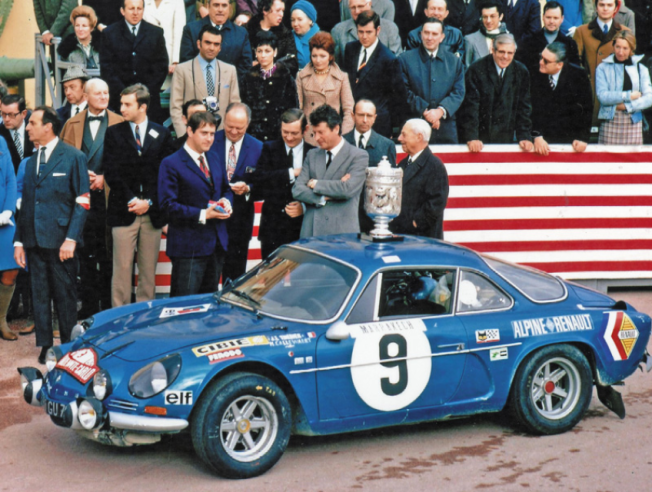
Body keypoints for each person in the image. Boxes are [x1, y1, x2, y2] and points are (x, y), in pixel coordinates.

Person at [14, 106, 90, 363]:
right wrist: (19, 241)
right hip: (34, 240)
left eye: (32, 122)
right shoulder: (32, 160)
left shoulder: (73, 156)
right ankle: (46, 345)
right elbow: (26, 204)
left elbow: (82, 201)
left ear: (48, 126)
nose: (27, 127)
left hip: (61, 243)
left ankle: (68, 347)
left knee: (65, 297)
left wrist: (71, 239)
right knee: (39, 295)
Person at [103, 84, 174, 307]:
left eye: (127, 104)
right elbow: (111, 172)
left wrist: (149, 202)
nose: (121, 108)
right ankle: (119, 320)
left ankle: (144, 320)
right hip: (124, 211)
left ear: (142, 106)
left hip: (151, 214)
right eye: (121, 104)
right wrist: (132, 200)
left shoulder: (161, 133)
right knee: (121, 273)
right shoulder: (114, 133)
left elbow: (165, 175)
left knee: (147, 274)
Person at [60, 78, 124, 317]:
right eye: (98, 93)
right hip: (81, 201)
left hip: (110, 199)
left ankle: (108, 309)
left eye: (107, 93)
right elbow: (63, 159)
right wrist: (79, 176)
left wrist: (104, 178)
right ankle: (87, 309)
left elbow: (128, 162)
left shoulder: (120, 122)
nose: (104, 97)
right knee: (85, 257)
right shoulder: (71, 124)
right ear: (85, 96)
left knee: (109, 255)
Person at [159, 111, 234, 297]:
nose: (209, 138)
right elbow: (167, 205)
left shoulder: (215, 158)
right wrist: (203, 214)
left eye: (212, 133)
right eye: (204, 133)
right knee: (184, 305)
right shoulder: (171, 163)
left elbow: (226, 188)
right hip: (188, 248)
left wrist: (226, 200)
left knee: (209, 305)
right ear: (190, 131)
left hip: (216, 244)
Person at [292, 104, 369, 237]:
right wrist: (323, 197)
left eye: (321, 132)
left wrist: (316, 184)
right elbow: (297, 190)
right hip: (311, 232)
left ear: (336, 129)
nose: (316, 138)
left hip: (341, 234)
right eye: (314, 133)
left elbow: (348, 189)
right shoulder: (312, 154)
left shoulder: (358, 155)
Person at [250, 109, 313, 259]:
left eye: (294, 133)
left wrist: (304, 207)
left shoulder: (313, 153)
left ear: (305, 130)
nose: (289, 137)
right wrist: (291, 173)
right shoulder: (269, 148)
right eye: (285, 132)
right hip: (272, 227)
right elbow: (260, 179)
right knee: (272, 278)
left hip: (302, 228)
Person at [210, 103, 263, 282]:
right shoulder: (210, 141)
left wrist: (248, 189)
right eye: (229, 126)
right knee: (208, 275)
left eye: (238, 128)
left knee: (235, 275)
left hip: (240, 219)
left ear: (247, 125)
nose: (233, 131)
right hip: (212, 217)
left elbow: (264, 183)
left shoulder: (258, 147)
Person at [458, 33, 534, 152]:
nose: (505, 56)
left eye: (510, 53)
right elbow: (470, 107)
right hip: (480, 139)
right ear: (492, 50)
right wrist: (472, 137)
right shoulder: (476, 70)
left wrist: (524, 136)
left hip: (506, 136)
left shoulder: (521, 71)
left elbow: (524, 107)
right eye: (501, 52)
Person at [100, 0, 169, 123]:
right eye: (131, 8)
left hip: (148, 102)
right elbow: (107, 68)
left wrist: (144, 93)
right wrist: (125, 94)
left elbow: (161, 67)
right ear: (122, 11)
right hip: (119, 102)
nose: (136, 13)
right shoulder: (109, 33)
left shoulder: (156, 33)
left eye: (139, 8)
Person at [399, 18, 466, 143]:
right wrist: (425, 112)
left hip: (445, 128)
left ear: (442, 37)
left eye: (434, 34)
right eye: (426, 32)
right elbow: (403, 90)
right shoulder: (405, 59)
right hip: (414, 126)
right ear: (421, 34)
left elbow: (458, 92)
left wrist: (440, 112)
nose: (430, 37)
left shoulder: (454, 62)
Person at [171, 24, 241, 136]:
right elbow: (176, 108)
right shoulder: (182, 70)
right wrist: (185, 137)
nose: (212, 48)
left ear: (220, 47)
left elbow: (235, 107)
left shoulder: (230, 70)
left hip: (221, 137)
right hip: (193, 136)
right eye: (208, 42)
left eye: (216, 44)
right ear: (199, 44)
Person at [342, 11, 401, 138]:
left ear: (377, 30)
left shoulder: (388, 58)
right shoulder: (350, 49)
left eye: (368, 32)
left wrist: (393, 129)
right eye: (360, 32)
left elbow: (395, 97)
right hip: (352, 120)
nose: (364, 36)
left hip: (377, 124)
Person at [389, 118, 448, 239]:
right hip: (402, 236)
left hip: (423, 240)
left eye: (404, 134)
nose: (399, 138)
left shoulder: (435, 166)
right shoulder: (402, 164)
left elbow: (436, 203)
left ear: (419, 137)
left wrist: (415, 223)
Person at [342, 99, 396, 233]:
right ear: (352, 116)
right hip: (345, 210)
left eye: (369, 116)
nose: (365, 120)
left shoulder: (386, 145)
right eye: (360, 115)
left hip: (374, 215)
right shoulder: (341, 142)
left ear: (375, 118)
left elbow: (391, 183)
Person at [574, 0, 630, 126]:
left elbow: (630, 66)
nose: (605, 8)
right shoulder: (582, 32)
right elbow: (574, 65)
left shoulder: (624, 32)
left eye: (609, 5)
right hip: (589, 93)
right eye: (602, 5)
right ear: (596, 7)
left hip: (614, 95)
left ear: (616, 9)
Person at [531, 42, 593, 155]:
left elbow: (587, 108)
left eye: (546, 61)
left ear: (559, 65)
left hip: (569, 140)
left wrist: (583, 138)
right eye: (541, 57)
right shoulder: (535, 73)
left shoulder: (578, 75)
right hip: (541, 141)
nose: (541, 62)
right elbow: (531, 108)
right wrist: (537, 135)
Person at [297, 32, 355, 146]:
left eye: (322, 56)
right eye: (314, 56)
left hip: (332, 135)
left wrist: (342, 136)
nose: (318, 60)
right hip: (309, 137)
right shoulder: (301, 76)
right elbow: (298, 109)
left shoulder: (341, 77)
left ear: (331, 56)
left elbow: (349, 110)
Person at [240, 31, 299, 142]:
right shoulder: (248, 78)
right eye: (259, 51)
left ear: (275, 52)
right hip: (254, 137)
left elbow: (293, 108)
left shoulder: (286, 78)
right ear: (255, 53)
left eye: (267, 51)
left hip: (279, 137)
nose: (263, 55)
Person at [596, 31, 652, 145]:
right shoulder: (602, 68)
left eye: (625, 48)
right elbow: (602, 96)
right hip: (609, 121)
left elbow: (649, 97)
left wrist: (627, 106)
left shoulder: (641, 69)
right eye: (617, 47)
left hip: (633, 122)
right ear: (613, 46)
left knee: (632, 161)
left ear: (632, 49)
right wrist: (628, 96)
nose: (620, 52)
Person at [179, 0, 253, 80]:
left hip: (230, 87)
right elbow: (186, 63)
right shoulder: (191, 29)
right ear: (208, 6)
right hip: (199, 87)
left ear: (229, 7)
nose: (220, 9)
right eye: (216, 5)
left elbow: (246, 66)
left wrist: (227, 85)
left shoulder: (241, 33)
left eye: (224, 5)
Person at [331, 0, 402, 66]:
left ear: (370, 4)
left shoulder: (389, 29)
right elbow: (336, 66)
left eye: (360, 6)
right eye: (353, 7)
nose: (357, 11)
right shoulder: (338, 31)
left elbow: (397, 63)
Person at [516, 1, 581, 72]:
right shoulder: (529, 42)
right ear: (543, 17)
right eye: (548, 17)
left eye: (555, 18)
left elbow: (574, 73)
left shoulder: (570, 44)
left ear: (562, 19)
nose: (551, 21)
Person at [0, 137, 19, 341]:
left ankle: (1, 320)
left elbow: (10, 179)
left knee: (11, 269)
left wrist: (8, 210)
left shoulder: (0, 142)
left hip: (4, 221)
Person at [247, 0, 299, 75]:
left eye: (282, 11)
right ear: (265, 10)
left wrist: (273, 68)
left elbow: (292, 63)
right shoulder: (247, 31)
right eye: (278, 10)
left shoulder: (285, 34)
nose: (281, 14)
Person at [143, 0, 187, 88]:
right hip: (146, 58)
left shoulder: (177, 2)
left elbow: (179, 32)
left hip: (169, 59)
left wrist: (175, 61)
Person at [464, 1, 509, 68]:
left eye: (492, 16)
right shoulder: (470, 40)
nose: (488, 21)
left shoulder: (509, 39)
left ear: (501, 16)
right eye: (485, 17)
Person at [58, 5, 102, 70]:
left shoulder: (102, 45)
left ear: (91, 28)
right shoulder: (67, 48)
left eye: (84, 26)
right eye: (77, 25)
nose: (80, 29)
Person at [0, 95, 35, 173]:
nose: (6, 119)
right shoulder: (1, 134)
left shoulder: (35, 129)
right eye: (3, 114)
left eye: (11, 115)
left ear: (23, 114)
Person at [290, 0, 320, 70]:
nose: (295, 24)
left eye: (299, 19)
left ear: (310, 20)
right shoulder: (287, 38)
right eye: (293, 20)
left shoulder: (321, 39)